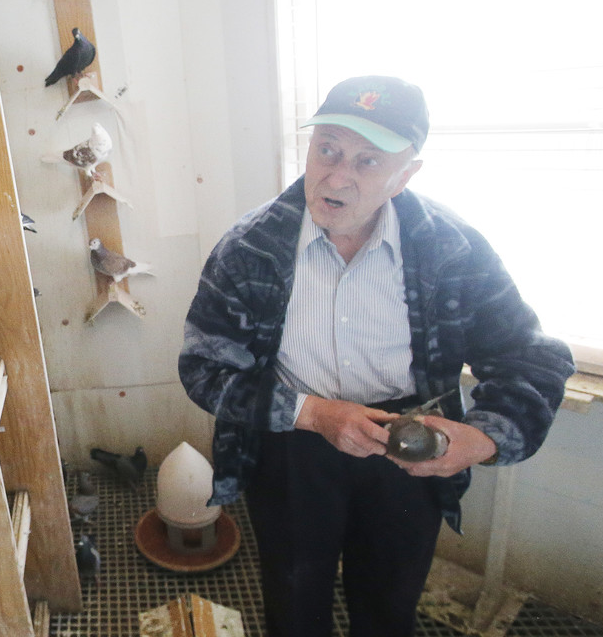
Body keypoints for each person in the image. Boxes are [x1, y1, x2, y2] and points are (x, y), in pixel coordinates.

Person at [179, 76, 574, 637]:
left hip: (407, 450)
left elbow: (530, 358)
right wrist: (313, 412)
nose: (337, 176)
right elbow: (203, 367)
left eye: (368, 160)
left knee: (389, 605)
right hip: (293, 445)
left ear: (407, 174)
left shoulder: (452, 250)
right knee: (293, 602)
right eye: (327, 150)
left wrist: (483, 438)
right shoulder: (250, 249)